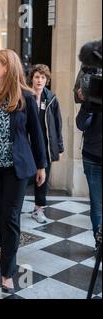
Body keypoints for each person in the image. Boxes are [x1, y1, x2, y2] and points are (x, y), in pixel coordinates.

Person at [0, 49, 47, 293]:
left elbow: (37, 134)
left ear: (7, 67)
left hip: (16, 169)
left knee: (11, 217)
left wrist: (42, 164)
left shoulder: (26, 96)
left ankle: (7, 273)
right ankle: (6, 253)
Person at [28, 64, 64, 223]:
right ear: (32, 79)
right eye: (37, 77)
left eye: (43, 77)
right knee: (23, 178)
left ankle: (39, 209)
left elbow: (58, 125)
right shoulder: (25, 96)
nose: (39, 80)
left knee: (42, 179)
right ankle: (14, 208)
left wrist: (60, 147)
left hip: (45, 146)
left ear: (47, 80)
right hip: (27, 145)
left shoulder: (51, 98)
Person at [75, 83, 102, 255]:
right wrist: (87, 103)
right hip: (93, 157)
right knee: (97, 204)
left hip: (92, 155)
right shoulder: (96, 92)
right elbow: (81, 124)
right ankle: (99, 243)